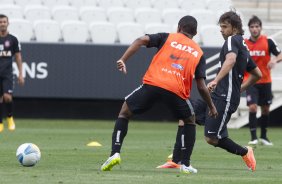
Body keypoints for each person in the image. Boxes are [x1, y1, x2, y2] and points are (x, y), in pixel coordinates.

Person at [100, 15, 218, 174]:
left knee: (124, 112)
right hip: (176, 91)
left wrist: (123, 59)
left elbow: (140, 40)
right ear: (195, 33)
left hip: (153, 84)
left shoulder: (167, 37)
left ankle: (114, 153)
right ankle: (186, 164)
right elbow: (202, 86)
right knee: (189, 120)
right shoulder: (198, 52)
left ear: (178, 28)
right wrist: (211, 106)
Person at [204, 11, 262, 172]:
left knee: (212, 138)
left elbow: (230, 60)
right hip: (220, 96)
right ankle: (178, 157)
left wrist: (216, 80)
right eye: (220, 27)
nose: (221, 30)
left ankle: (245, 151)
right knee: (187, 114)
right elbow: (257, 74)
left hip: (224, 97)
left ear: (235, 28)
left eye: (224, 26)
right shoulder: (242, 44)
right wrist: (240, 89)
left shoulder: (231, 40)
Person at [244, 15, 282, 146]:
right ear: (249, 28)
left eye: (257, 26)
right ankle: (253, 137)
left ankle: (264, 136)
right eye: (252, 27)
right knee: (253, 107)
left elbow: (280, 54)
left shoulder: (268, 41)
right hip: (250, 81)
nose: (255, 29)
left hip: (265, 80)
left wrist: (274, 60)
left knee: (265, 109)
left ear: (261, 28)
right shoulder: (244, 43)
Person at [0, 14, 24, 132]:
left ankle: (9, 117)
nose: (2, 24)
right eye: (0, 22)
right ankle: (0, 123)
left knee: (7, 97)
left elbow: (18, 57)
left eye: (4, 22)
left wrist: (20, 73)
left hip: (7, 73)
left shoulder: (13, 39)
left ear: (8, 23)